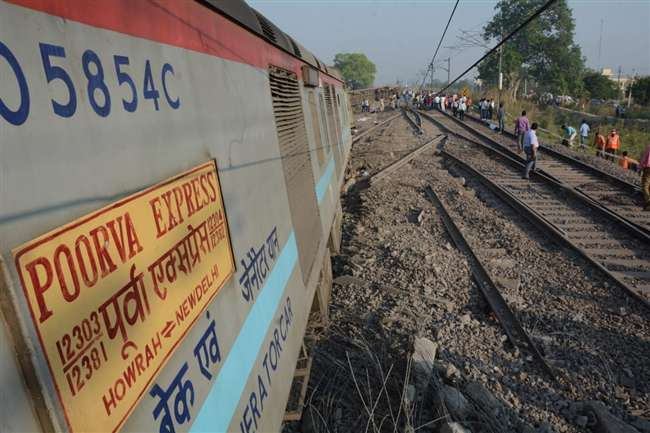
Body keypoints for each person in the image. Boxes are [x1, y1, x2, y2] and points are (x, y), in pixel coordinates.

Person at [639, 143, 650, 210]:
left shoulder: (649, 147)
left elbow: (644, 158)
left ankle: (648, 200)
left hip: (648, 168)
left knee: (645, 186)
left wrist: (640, 167)